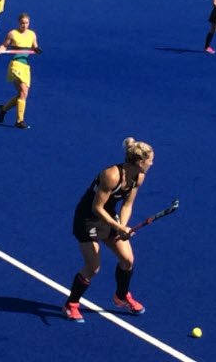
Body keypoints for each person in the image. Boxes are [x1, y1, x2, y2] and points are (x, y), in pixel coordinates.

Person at [62, 137, 155, 323]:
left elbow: (127, 205)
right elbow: (97, 207)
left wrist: (123, 228)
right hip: (87, 219)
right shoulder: (111, 176)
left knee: (127, 259)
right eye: (150, 160)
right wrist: (118, 226)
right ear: (139, 162)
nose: (152, 163)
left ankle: (121, 297)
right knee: (93, 266)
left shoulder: (139, 176)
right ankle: (71, 304)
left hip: (109, 216)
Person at [0, 13, 39, 129]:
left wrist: (37, 50)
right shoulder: (13, 33)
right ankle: (19, 121)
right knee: (23, 90)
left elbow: (35, 46)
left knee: (23, 94)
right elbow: (4, 46)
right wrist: (0, 49)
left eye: (26, 23)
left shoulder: (32, 34)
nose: (24, 25)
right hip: (15, 65)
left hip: (25, 66)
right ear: (18, 23)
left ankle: (3, 109)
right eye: (22, 23)